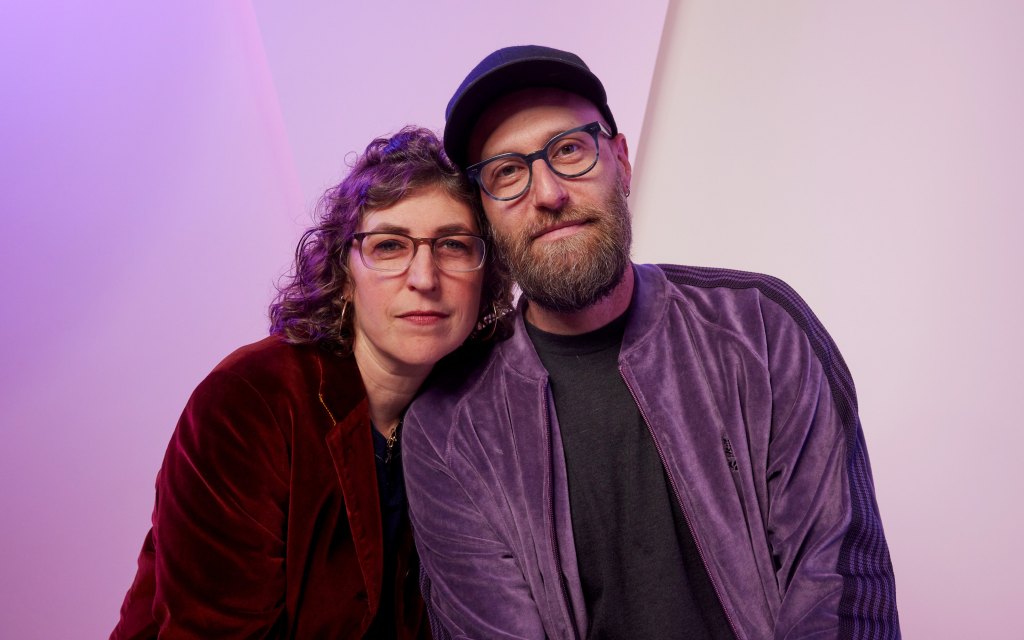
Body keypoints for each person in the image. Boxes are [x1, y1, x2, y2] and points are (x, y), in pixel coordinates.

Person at [403, 46, 900, 639]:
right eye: (507, 171)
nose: (548, 193)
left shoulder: (762, 330)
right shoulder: (449, 432)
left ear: (621, 160)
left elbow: (842, 579)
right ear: (484, 212)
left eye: (569, 150)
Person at [111, 127, 512, 638]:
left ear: (485, 273)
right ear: (345, 274)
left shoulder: (472, 413)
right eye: (389, 246)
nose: (425, 277)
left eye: (452, 245)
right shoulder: (249, 401)